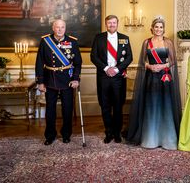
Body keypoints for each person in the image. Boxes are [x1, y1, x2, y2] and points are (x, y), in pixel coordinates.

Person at [126, 17, 181, 150]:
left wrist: (162, 67)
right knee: (152, 105)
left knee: (165, 105)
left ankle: (168, 139)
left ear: (164, 29)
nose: (158, 29)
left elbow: (173, 61)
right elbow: (142, 61)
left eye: (161, 27)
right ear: (152, 28)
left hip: (164, 77)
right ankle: (151, 138)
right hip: (151, 78)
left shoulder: (168, 42)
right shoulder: (147, 43)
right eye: (156, 27)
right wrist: (150, 67)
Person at [35, 19, 82, 145]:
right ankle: (50, 135)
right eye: (57, 27)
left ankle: (66, 134)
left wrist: (76, 79)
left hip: (67, 80)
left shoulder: (72, 41)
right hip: (50, 79)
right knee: (50, 110)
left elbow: (77, 63)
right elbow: (39, 62)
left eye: (62, 27)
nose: (60, 30)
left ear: (65, 28)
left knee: (67, 109)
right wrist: (40, 82)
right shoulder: (45, 41)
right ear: (53, 28)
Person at [90, 15, 133, 143]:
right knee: (105, 106)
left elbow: (129, 57)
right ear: (105, 24)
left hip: (118, 77)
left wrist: (117, 69)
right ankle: (108, 132)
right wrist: (106, 68)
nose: (112, 25)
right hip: (104, 77)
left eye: (114, 23)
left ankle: (117, 132)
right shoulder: (99, 38)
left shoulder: (125, 39)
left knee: (118, 106)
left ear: (117, 23)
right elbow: (93, 56)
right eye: (109, 23)